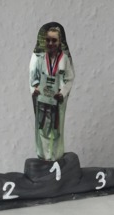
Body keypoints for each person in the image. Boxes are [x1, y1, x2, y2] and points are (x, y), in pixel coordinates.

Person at [29, 23, 74, 161]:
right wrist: (36, 89)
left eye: (54, 40)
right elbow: (33, 77)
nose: (50, 43)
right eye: (48, 40)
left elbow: (69, 78)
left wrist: (62, 93)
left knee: (56, 131)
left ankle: (55, 158)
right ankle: (43, 157)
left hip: (57, 102)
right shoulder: (39, 59)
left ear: (60, 42)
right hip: (42, 101)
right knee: (42, 129)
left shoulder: (64, 59)